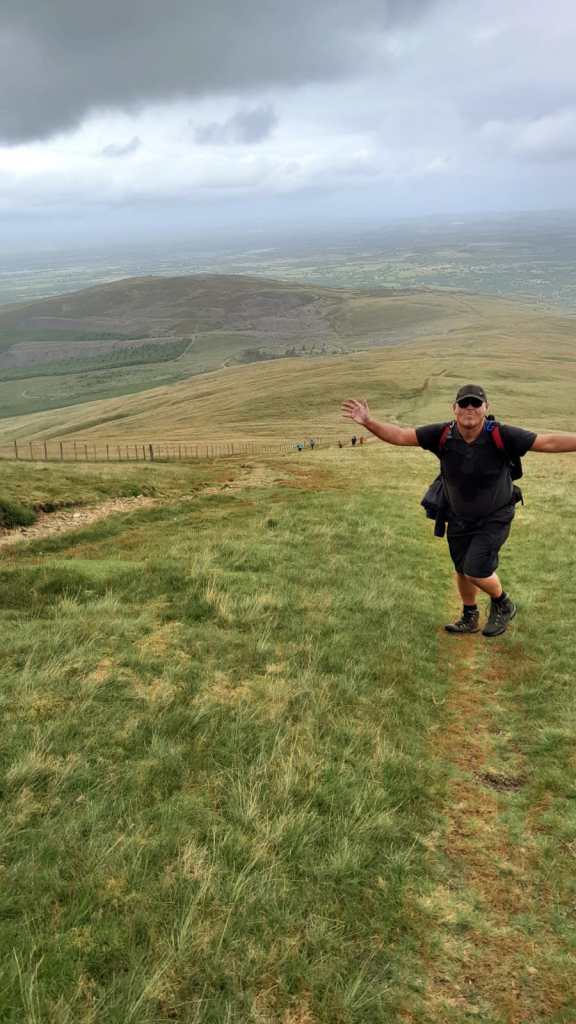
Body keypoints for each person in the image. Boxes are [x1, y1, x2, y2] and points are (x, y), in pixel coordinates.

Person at [342, 384, 576, 637]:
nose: (469, 408)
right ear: (454, 408)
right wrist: (368, 422)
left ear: (486, 408)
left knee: (475, 569)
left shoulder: (501, 434)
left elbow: (547, 442)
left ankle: (503, 603)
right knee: (461, 568)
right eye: (464, 403)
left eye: (476, 403)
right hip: (457, 516)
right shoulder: (442, 434)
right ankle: (469, 616)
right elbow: (400, 436)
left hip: (495, 516)